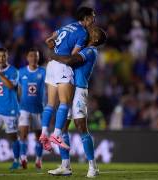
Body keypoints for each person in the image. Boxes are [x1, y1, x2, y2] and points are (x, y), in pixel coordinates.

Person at [48, 26, 107, 178]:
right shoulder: (82, 47)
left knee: (81, 126)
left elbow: (70, 60)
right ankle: (65, 165)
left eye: (94, 32)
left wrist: (53, 55)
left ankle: (93, 166)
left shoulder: (90, 51)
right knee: (63, 127)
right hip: (70, 87)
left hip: (80, 89)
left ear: (95, 39)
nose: (90, 31)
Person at [39, 6, 95, 151]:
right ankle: (56, 135)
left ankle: (44, 133)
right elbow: (72, 57)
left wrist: (54, 48)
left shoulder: (68, 25)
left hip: (50, 66)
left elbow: (49, 39)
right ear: (87, 18)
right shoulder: (83, 33)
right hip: (62, 66)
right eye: (92, 17)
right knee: (65, 102)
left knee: (50, 104)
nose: (94, 20)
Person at [18, 48, 46, 169]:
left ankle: (38, 160)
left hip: (39, 109)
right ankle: (23, 158)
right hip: (24, 108)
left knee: (38, 136)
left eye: (36, 56)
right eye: (31, 56)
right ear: (27, 58)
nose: (33, 58)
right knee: (23, 133)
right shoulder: (21, 72)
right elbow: (19, 89)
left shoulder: (43, 72)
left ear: (38, 58)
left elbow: (49, 87)